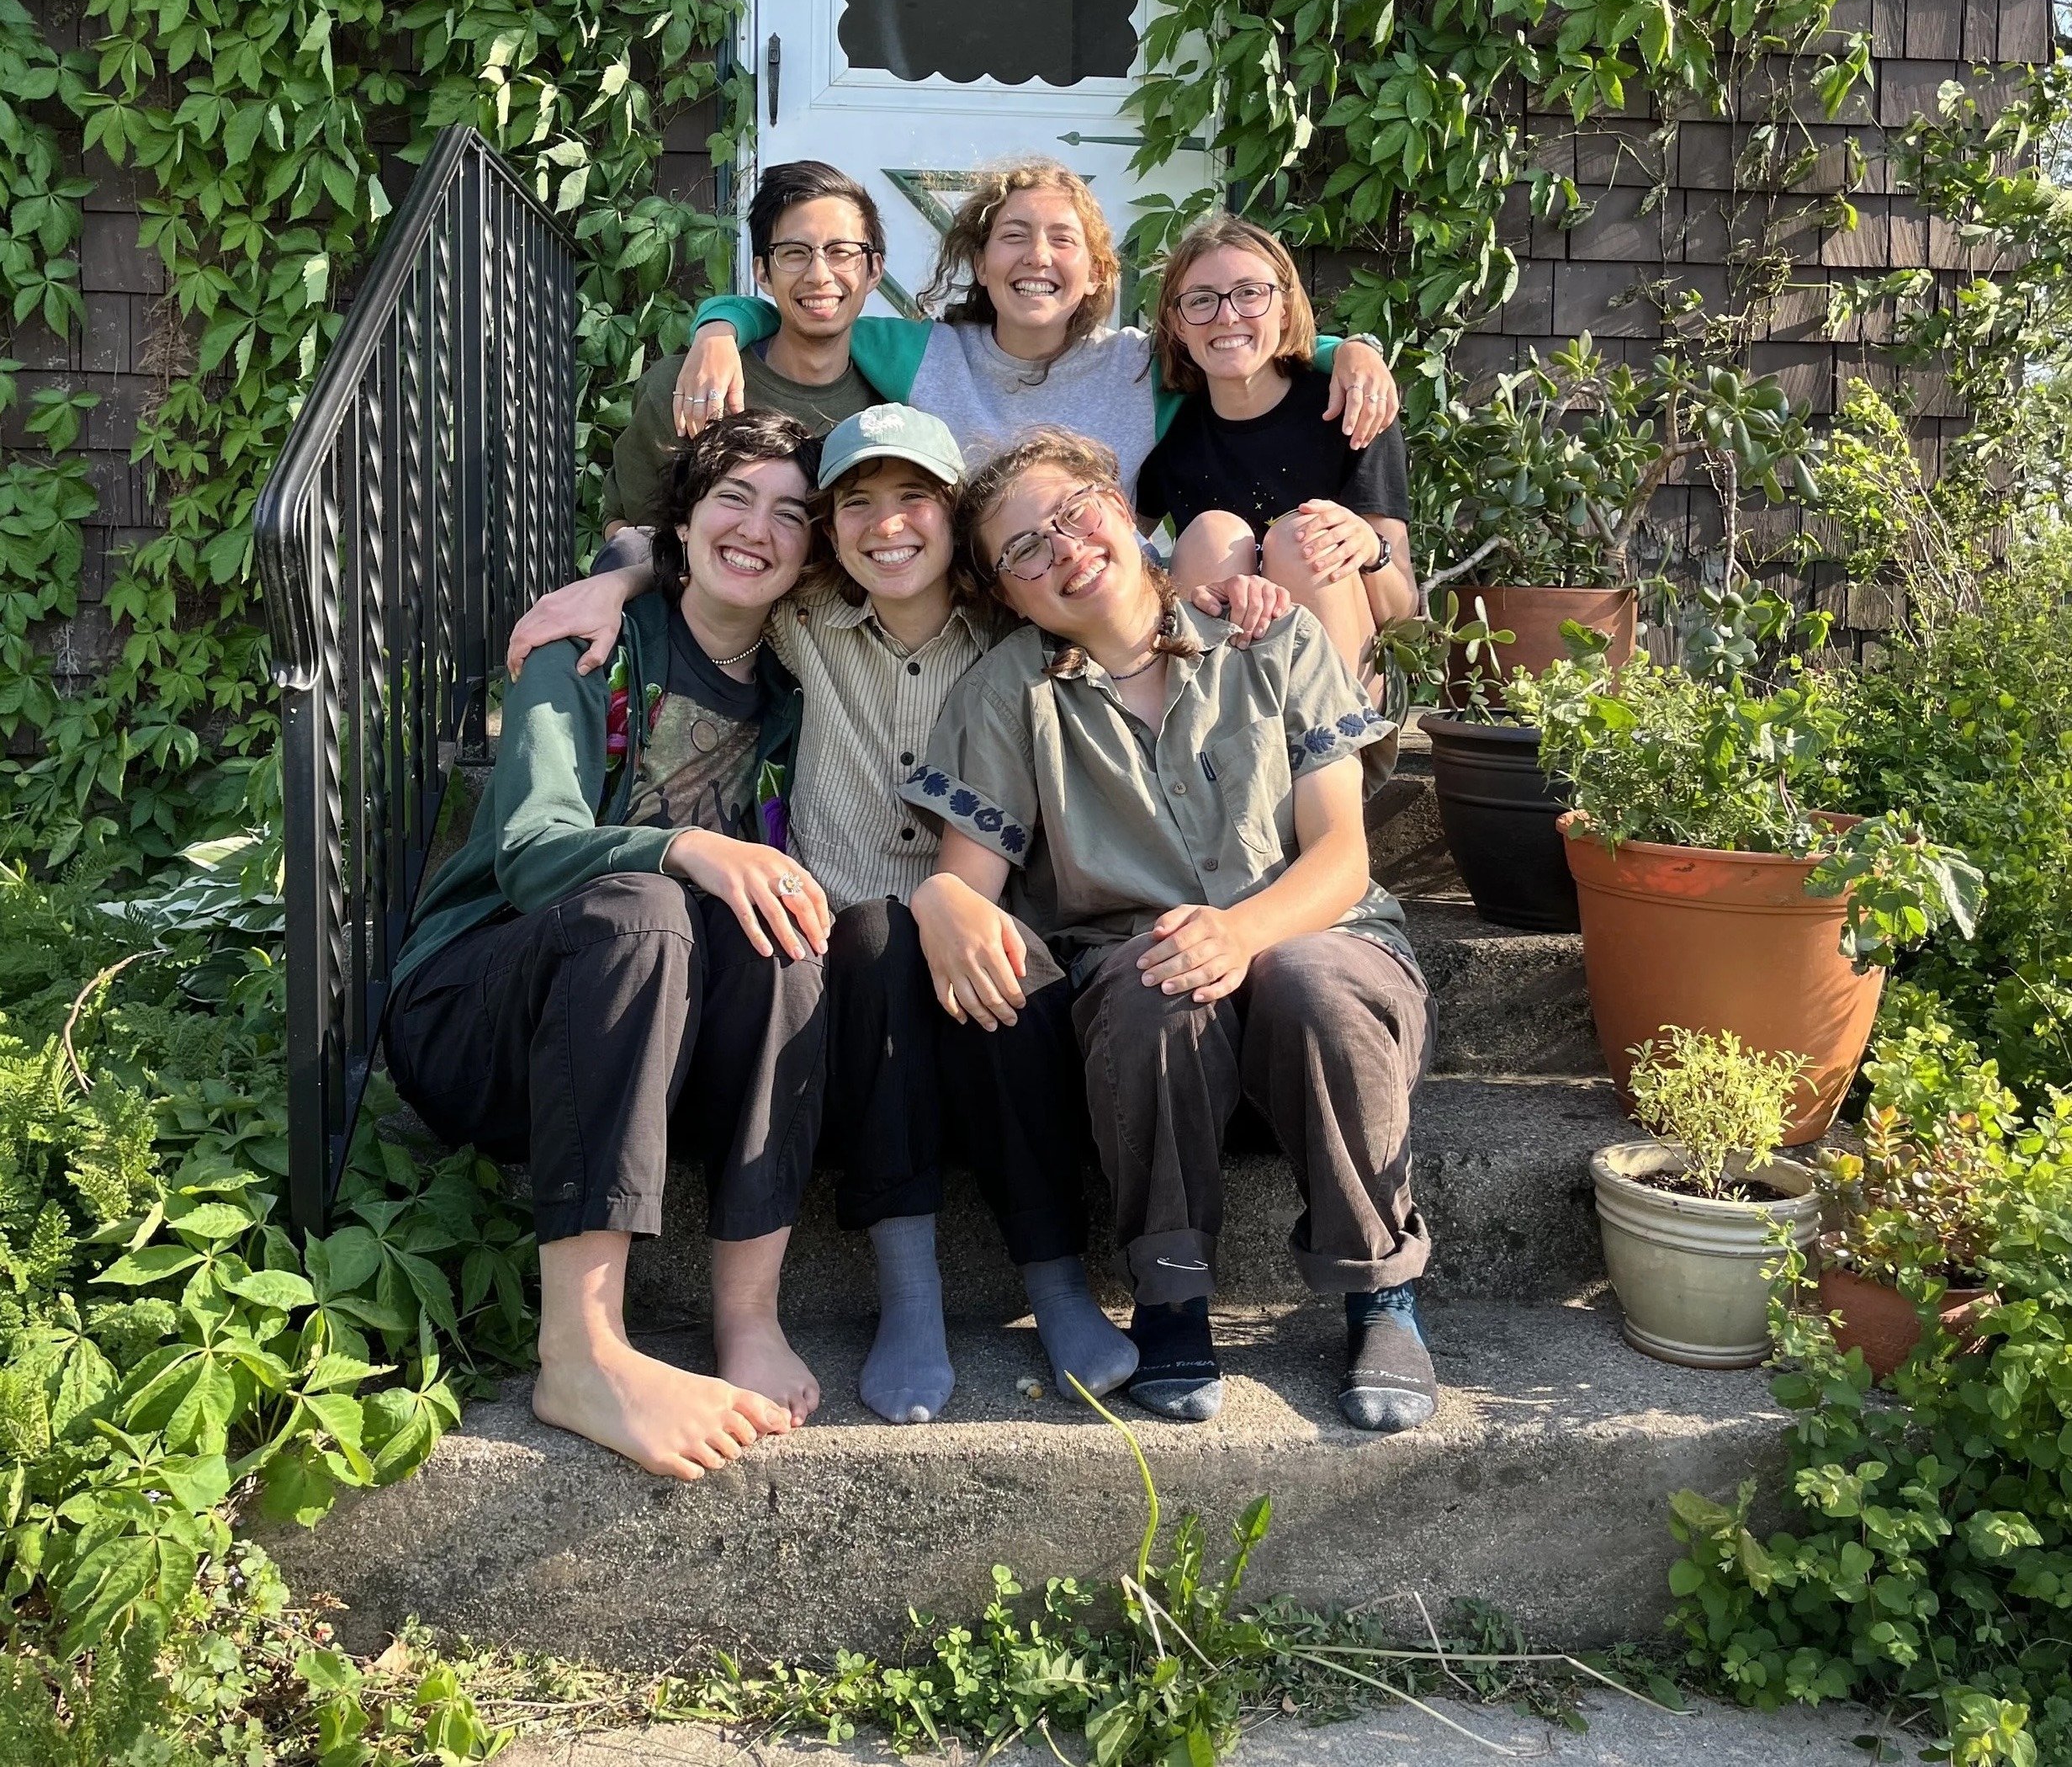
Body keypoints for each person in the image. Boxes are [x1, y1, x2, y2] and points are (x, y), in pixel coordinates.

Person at [506, 405, 1152, 1423]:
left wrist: (1234, 579)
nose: (888, 526)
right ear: (829, 536)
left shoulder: (1017, 630)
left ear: (956, 519)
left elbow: (1132, 597)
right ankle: (911, 1296)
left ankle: (1059, 1286)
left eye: (915, 500)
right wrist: (617, 578)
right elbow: (709, 568)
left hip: (976, 924)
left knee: (1008, 964)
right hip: (849, 963)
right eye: (857, 505)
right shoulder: (800, 621)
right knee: (876, 939)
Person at [904, 428, 1439, 1433]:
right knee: (1155, 982)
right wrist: (940, 901)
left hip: (1319, 940)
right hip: (1144, 1005)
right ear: (1007, 594)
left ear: (1121, 509)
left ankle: (1380, 1292)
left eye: (1075, 514)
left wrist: (1240, 934)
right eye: (1025, 550)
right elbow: (966, 886)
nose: (1065, 550)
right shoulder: (1008, 692)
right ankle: (1173, 1296)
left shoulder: (1269, 638)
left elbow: (1340, 856)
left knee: (1311, 980)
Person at [384, 412, 832, 1479]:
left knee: (786, 928)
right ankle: (582, 1352)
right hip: (480, 1015)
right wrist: (690, 846)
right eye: (733, 498)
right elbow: (532, 852)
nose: (757, 529)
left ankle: (747, 1317)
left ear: (813, 554)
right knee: (644, 905)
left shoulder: (794, 695)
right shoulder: (586, 647)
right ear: (681, 521)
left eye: (791, 514)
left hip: (645, 1050)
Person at [669, 159, 1399, 498]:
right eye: (1013, 236)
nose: (1037, 257)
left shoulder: (1143, 366)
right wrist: (718, 330)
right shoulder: (919, 353)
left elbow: (1238, 341)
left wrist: (1346, 352)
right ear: (980, 264)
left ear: (1095, 271)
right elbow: (804, 311)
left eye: (1062, 240)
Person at [1139, 215, 1419, 683]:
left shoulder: (1350, 406)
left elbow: (1402, 612)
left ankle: (1332, 730)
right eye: (1202, 300)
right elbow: (1120, 546)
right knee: (1211, 536)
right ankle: (1204, 722)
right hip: (1229, 677)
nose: (1227, 316)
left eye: (1250, 293)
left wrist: (1372, 549)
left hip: (1346, 677)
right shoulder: (1169, 430)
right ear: (1177, 323)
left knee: (1302, 536)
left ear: (1285, 309)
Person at [598, 161, 888, 534]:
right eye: (794, 252)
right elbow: (630, 532)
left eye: (841, 252)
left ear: (874, 270)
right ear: (763, 272)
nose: (819, 275)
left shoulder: (898, 402)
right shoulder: (687, 389)